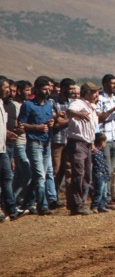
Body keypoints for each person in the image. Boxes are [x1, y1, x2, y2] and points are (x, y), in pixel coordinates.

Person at [18, 76, 58, 215]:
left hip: (47, 143)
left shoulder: (48, 105)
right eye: (44, 88)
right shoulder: (28, 105)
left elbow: (50, 120)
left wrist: (52, 123)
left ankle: (28, 203)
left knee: (42, 175)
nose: (47, 91)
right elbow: (21, 124)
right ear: (37, 89)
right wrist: (37, 127)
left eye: (49, 89)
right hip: (34, 143)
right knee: (40, 175)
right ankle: (43, 205)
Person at [65, 81, 100, 215]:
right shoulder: (78, 103)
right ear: (87, 93)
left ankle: (81, 202)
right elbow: (69, 111)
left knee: (86, 175)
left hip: (87, 144)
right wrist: (79, 114)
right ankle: (76, 204)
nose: (96, 94)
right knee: (78, 174)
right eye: (94, 92)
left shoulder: (91, 107)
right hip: (77, 143)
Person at [96, 74, 115, 206]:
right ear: (105, 84)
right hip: (104, 139)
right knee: (106, 170)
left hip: (114, 138)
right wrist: (113, 109)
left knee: (113, 171)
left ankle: (110, 197)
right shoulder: (99, 98)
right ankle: (106, 199)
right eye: (112, 83)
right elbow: (99, 118)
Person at [0, 78, 28, 221]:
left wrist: (9, 133)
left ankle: (11, 209)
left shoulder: (4, 105)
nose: (9, 90)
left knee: (7, 177)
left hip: (4, 147)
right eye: (6, 87)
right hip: (3, 146)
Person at [91, 132, 111, 213]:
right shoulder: (95, 151)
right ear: (102, 142)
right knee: (99, 191)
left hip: (103, 173)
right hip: (98, 173)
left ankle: (102, 206)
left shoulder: (99, 151)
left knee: (104, 191)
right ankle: (95, 206)